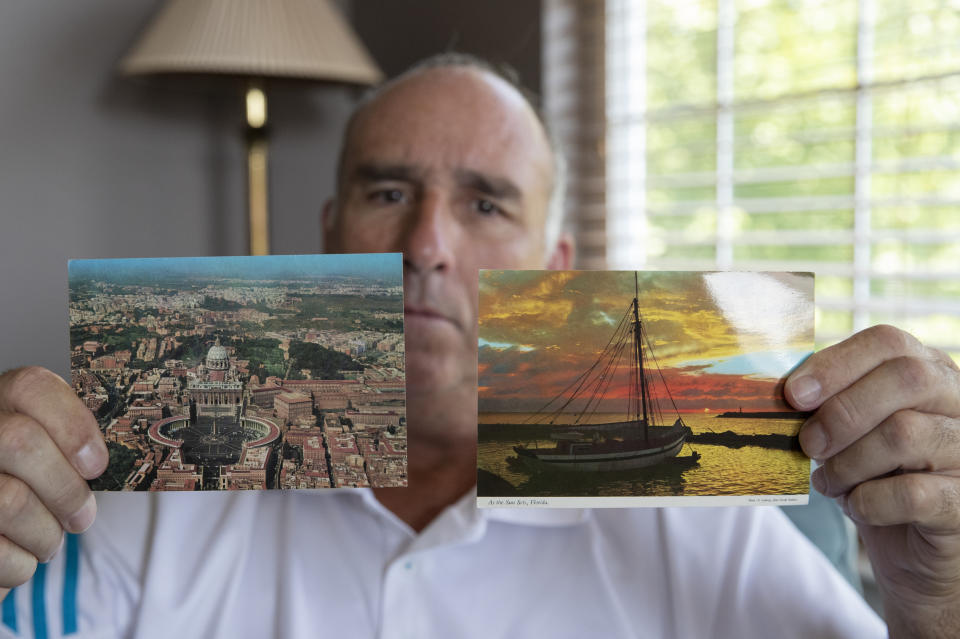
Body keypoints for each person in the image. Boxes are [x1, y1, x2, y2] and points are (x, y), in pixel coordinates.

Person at [0, 54, 957, 638]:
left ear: (556, 264)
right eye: (387, 193)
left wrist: (936, 593)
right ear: (328, 233)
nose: (427, 246)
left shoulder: (699, 514)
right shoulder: (156, 484)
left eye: (487, 202)